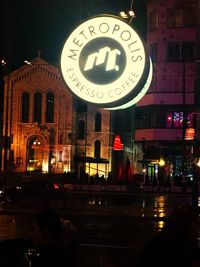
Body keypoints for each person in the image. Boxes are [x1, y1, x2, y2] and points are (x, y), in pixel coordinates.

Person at [135, 204, 200, 267]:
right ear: (186, 224)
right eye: (196, 223)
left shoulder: (188, 242)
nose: (198, 227)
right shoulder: (167, 246)